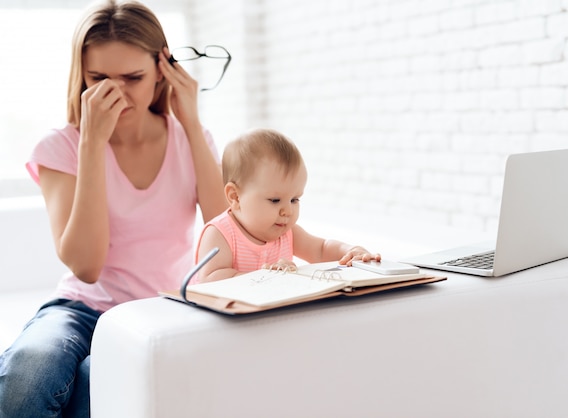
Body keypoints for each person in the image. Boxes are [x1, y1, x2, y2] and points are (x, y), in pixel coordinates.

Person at [0, 1, 227, 416]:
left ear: (163, 69)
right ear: (81, 76)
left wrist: (192, 123)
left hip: (161, 310)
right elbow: (86, 266)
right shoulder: (61, 147)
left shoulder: (190, 139)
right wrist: (91, 143)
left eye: (132, 77)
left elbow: (222, 234)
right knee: (27, 376)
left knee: (92, 385)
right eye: (98, 78)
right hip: (80, 309)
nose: (116, 93)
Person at [195, 128, 381, 283]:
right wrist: (267, 276)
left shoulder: (286, 233)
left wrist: (350, 252)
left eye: (295, 199)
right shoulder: (220, 234)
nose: (288, 211)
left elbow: (322, 249)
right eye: (275, 200)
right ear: (235, 196)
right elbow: (209, 280)